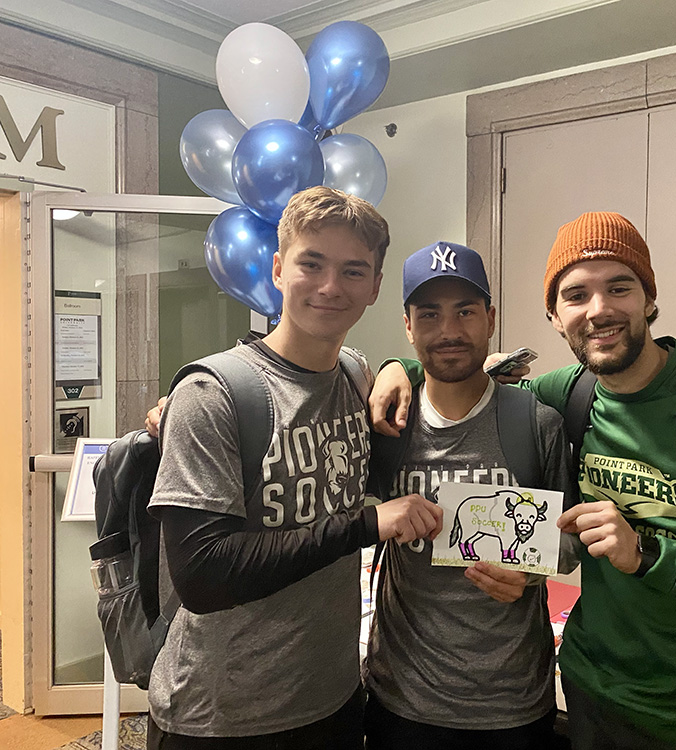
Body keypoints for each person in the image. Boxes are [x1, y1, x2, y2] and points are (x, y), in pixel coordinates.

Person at [370, 212, 676, 750]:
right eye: (576, 294)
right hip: (593, 698)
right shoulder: (563, 396)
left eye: (619, 287)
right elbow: (462, 374)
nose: (599, 310)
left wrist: (650, 556)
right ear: (554, 315)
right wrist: (399, 367)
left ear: (649, 298)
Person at [145, 186, 443, 750]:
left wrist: (398, 367)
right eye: (312, 263)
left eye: (354, 271)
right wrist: (367, 524)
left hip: (330, 698)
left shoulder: (357, 376)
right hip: (222, 715)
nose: (331, 287)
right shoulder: (214, 393)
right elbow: (203, 576)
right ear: (279, 268)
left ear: (376, 288)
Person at [363, 241, 577, 750]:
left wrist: (530, 572)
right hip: (402, 698)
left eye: (465, 311)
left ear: (490, 318)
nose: (449, 331)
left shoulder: (536, 424)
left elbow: (569, 539)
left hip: (513, 703)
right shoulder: (386, 426)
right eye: (429, 314)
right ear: (408, 325)